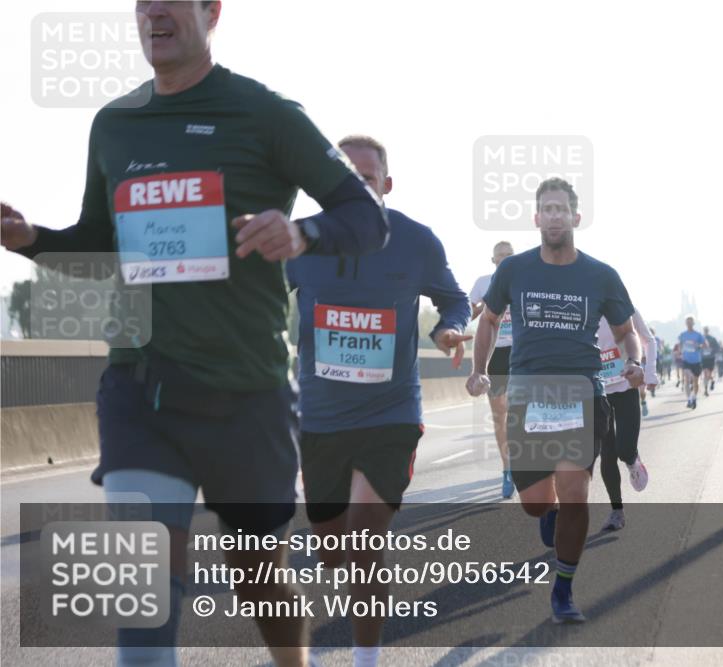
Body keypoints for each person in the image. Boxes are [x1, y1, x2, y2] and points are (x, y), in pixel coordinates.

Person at [2, 3, 388, 666]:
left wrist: (302, 232)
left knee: (259, 577)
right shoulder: (115, 123)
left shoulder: (264, 113)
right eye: (142, 0)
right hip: (141, 386)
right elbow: (101, 245)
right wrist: (31, 239)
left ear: (211, 12)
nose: (153, 10)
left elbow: (366, 216)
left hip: (248, 391)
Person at [287, 135, 469, 667]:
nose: (356, 188)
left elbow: (453, 299)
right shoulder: (299, 240)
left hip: (391, 412)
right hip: (319, 418)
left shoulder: (416, 241)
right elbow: (254, 297)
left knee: (365, 537)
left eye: (366, 179)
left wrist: (449, 329)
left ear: (386, 185)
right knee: (332, 550)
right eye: (344, 178)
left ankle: (366, 658)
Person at [466, 178, 643, 624]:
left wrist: (634, 361)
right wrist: (480, 368)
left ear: (576, 217)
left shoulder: (601, 275)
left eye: (562, 209)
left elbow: (627, 332)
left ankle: (563, 589)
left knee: (575, 493)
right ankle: (550, 511)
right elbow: (489, 320)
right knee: (534, 503)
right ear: (536, 218)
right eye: (547, 208)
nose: (555, 215)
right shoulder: (514, 270)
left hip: (581, 394)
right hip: (528, 396)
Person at [596, 310, 656, 531]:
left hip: (625, 385)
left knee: (624, 449)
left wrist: (649, 372)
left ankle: (632, 460)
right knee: (607, 452)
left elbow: (648, 340)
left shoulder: (622, 307)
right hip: (598, 389)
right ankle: (616, 511)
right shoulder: (583, 306)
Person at [469, 241, 516, 497]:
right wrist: (482, 308)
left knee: (524, 411)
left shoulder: (524, 280)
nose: (505, 259)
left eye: (509, 255)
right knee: (500, 415)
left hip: (519, 352)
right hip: (495, 354)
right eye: (501, 256)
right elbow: (470, 313)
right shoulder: (483, 283)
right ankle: (507, 469)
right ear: (493, 260)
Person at [678, 317, 707, 409]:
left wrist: (699, 346)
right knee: (686, 379)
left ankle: (694, 397)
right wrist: (680, 352)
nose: (689, 324)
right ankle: (689, 399)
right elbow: (680, 345)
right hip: (686, 360)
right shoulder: (683, 335)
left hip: (696, 361)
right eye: (687, 323)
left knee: (696, 382)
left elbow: (705, 345)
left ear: (693, 323)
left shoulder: (698, 335)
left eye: (690, 322)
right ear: (686, 324)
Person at [702, 326, 721, 396]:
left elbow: (718, 348)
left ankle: (712, 381)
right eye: (705, 330)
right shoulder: (701, 338)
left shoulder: (712, 339)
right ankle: (706, 390)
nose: (705, 331)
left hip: (711, 358)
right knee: (705, 374)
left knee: (709, 374)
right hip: (703, 358)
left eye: (706, 330)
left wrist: (712, 350)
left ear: (708, 331)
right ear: (703, 331)